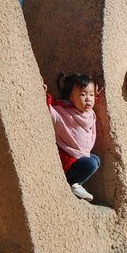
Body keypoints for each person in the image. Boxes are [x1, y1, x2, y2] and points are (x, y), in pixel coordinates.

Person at [46, 72, 102, 201]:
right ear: (70, 97)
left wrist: (93, 96)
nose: (88, 99)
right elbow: (51, 113)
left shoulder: (88, 114)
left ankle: (78, 184)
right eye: (83, 94)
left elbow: (88, 102)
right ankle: (73, 183)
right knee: (91, 163)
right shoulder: (64, 113)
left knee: (95, 159)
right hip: (68, 161)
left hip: (79, 159)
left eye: (91, 95)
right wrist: (43, 95)